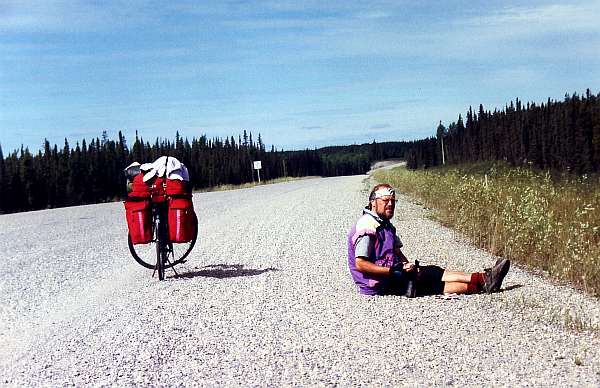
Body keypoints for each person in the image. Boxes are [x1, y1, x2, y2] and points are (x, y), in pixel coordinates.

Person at [347, 183, 510, 296]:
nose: (391, 204)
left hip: (388, 274)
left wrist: (407, 265)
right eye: (386, 201)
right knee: (432, 283)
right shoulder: (367, 226)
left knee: (431, 271)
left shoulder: (384, 224)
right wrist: (393, 271)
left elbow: (396, 251)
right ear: (373, 203)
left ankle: (483, 279)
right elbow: (361, 264)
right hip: (376, 285)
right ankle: (482, 283)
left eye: (393, 201)